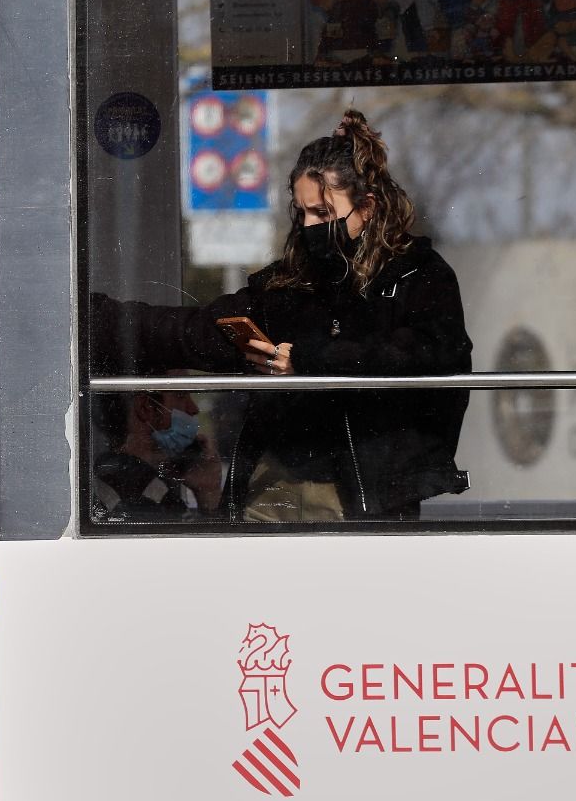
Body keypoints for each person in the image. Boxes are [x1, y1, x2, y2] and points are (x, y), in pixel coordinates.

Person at [91, 108, 471, 522]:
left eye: (323, 214)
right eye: (301, 212)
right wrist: (93, 320)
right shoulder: (288, 284)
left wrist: (307, 363)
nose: (309, 227)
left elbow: (430, 352)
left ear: (368, 208)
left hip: (364, 491)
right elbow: (197, 331)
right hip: (274, 480)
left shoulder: (418, 275)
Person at [90, 384, 224, 524]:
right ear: (146, 407)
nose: (193, 408)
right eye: (181, 395)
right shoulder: (143, 493)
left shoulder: (135, 478)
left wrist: (208, 491)